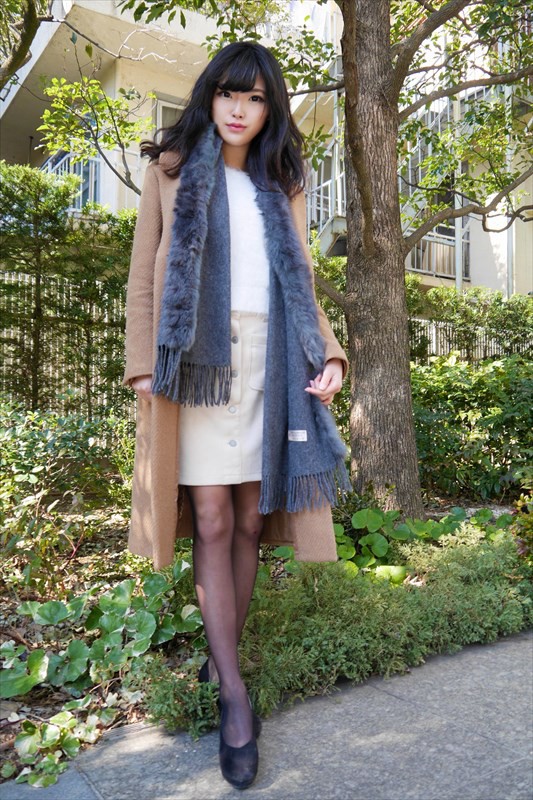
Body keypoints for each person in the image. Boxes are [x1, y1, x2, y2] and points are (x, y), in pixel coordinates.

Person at [123, 41, 350, 790]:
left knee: (251, 519)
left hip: (269, 361)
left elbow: (300, 280)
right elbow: (143, 278)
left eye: (255, 98)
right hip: (196, 361)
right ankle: (234, 696)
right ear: (209, 97)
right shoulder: (169, 170)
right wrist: (142, 362)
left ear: (269, 110)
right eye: (228, 93)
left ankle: (221, 657)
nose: (239, 109)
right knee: (213, 518)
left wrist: (330, 354)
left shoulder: (280, 182)